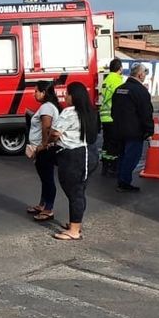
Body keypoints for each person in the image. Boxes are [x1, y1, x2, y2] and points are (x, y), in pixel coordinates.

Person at [49, 82, 99, 241]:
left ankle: (75, 231)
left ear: (74, 96)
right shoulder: (90, 111)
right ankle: (75, 223)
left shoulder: (69, 112)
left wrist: (48, 141)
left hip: (73, 157)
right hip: (89, 153)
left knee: (75, 192)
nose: (65, 97)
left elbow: (55, 133)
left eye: (67, 94)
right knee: (79, 191)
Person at [111, 63, 154, 192]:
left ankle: (121, 179)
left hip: (119, 129)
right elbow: (146, 113)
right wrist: (149, 131)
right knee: (132, 157)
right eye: (144, 73)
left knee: (123, 155)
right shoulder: (141, 91)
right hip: (134, 131)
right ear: (140, 75)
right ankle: (124, 182)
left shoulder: (119, 89)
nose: (145, 76)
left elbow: (113, 110)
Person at [24, 80, 61, 222]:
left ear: (43, 92)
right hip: (42, 148)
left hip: (44, 150)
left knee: (47, 179)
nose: (34, 94)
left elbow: (46, 127)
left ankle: (48, 209)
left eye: (36, 91)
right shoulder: (47, 107)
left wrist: (42, 146)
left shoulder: (46, 107)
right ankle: (42, 204)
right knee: (44, 178)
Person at [98, 58, 124, 176]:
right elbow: (120, 98)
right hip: (113, 116)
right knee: (114, 143)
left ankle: (105, 165)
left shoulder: (107, 79)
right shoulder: (117, 80)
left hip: (104, 116)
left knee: (106, 142)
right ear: (120, 68)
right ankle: (112, 167)